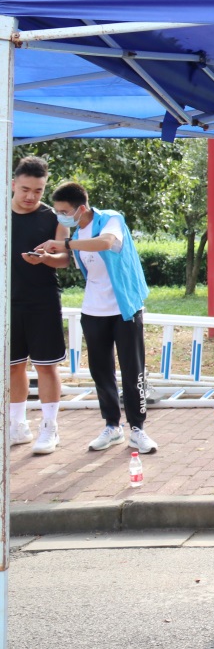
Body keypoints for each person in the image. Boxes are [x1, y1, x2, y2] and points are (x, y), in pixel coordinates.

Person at [39, 182, 156, 454]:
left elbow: (106, 243)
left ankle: (138, 429)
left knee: (133, 371)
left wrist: (65, 243)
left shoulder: (111, 219)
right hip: (93, 311)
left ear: (81, 208)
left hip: (124, 309)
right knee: (101, 372)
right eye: (57, 212)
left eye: (64, 212)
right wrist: (44, 257)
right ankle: (112, 426)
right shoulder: (77, 233)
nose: (61, 217)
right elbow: (73, 261)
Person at [9, 156, 71, 454]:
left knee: (46, 366)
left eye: (38, 190)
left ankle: (49, 428)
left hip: (42, 300)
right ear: (13, 184)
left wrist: (46, 258)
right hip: (8, 302)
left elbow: (65, 258)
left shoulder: (54, 217)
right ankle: (17, 426)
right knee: (12, 366)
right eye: (25, 189)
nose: (31, 196)